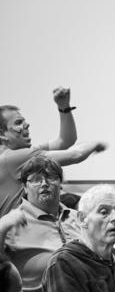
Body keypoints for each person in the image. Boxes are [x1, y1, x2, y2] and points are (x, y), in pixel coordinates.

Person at [0, 88, 106, 217]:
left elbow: (64, 141)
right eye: (18, 123)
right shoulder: (15, 158)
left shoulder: (15, 156)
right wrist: (94, 144)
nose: (26, 125)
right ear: (2, 134)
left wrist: (64, 108)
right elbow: (75, 155)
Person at [0, 156, 82, 292]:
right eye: (36, 180)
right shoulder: (11, 222)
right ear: (24, 187)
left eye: (51, 177)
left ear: (61, 184)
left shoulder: (79, 219)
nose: (44, 184)